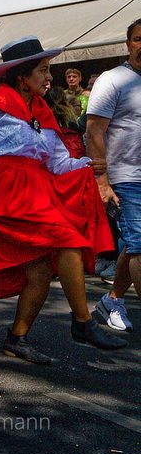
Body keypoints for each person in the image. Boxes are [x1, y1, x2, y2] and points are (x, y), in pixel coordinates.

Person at [0, 36, 127, 364]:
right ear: (22, 77)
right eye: (43, 70)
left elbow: (57, 162)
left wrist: (88, 165)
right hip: (2, 191)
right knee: (68, 240)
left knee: (40, 271)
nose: (49, 77)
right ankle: (83, 323)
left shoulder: (41, 110)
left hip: (34, 192)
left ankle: (17, 338)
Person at [86, 17, 141, 332]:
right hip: (125, 177)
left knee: (134, 244)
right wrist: (102, 180)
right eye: (138, 39)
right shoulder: (113, 79)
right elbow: (94, 131)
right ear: (128, 44)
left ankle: (113, 301)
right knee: (140, 245)